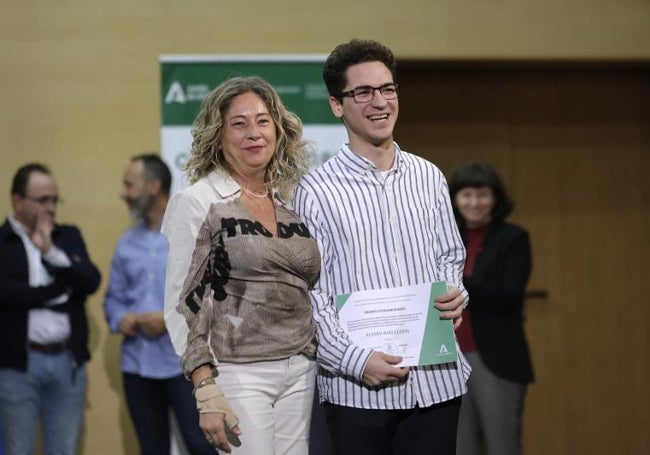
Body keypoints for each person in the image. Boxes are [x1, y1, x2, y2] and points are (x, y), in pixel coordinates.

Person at [292, 39, 471, 455]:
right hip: (358, 392)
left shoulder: (429, 176)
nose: (380, 102)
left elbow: (449, 256)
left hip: (436, 382)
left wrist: (454, 295)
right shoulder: (314, 191)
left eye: (388, 89)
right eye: (363, 92)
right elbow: (308, 293)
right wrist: (353, 361)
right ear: (338, 105)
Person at [161, 76, 321, 455]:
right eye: (239, 123)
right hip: (238, 371)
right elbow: (183, 303)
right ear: (218, 135)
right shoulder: (198, 202)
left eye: (264, 121)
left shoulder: (293, 202)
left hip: (301, 366)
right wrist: (204, 385)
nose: (255, 133)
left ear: (279, 131)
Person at [104, 154, 215, 455]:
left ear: (153, 186)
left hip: (185, 367)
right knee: (151, 449)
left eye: (129, 185)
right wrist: (120, 318)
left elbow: (211, 297)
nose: (123, 194)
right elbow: (112, 299)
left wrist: (167, 321)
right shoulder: (127, 242)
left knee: (201, 445)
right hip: (138, 368)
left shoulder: (191, 233)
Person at [0, 163, 101, 454]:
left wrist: (50, 253)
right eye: (43, 200)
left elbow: (90, 281)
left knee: (64, 449)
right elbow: (7, 296)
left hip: (67, 362)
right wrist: (60, 290)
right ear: (17, 201)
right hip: (19, 364)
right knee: (19, 449)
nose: (52, 207)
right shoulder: (3, 242)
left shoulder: (67, 237)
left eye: (55, 199)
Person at [449, 162, 533, 455]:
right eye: (467, 194)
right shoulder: (443, 238)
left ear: (495, 198)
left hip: (496, 358)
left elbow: (508, 294)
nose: (474, 203)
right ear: (455, 198)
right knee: (460, 447)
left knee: (502, 445)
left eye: (482, 195)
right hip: (449, 356)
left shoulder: (513, 238)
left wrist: (456, 286)